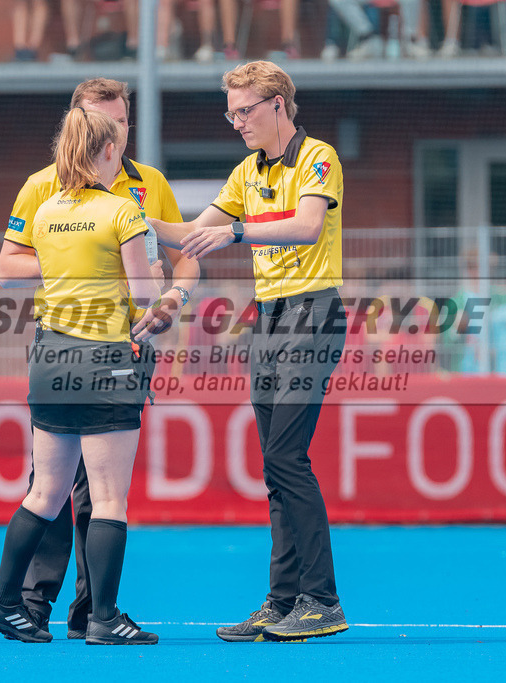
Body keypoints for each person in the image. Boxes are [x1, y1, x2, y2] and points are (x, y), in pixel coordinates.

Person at [147, 60, 349, 642]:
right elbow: (191, 234)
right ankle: (283, 601)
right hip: (269, 316)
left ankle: (323, 600)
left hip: (312, 312)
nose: (236, 122)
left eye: (245, 111)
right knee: (274, 466)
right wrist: (124, 215)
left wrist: (236, 232)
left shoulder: (319, 156)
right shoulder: (246, 171)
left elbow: (309, 225)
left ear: (278, 104)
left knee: (287, 458)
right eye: (231, 112)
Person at [0, 78, 199, 640]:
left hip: (56, 353)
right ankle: (78, 612)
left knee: (50, 489)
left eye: (123, 121)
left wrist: (174, 296)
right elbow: (9, 267)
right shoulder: (95, 201)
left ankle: (21, 604)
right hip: (108, 352)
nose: (118, 134)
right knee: (102, 496)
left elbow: (184, 259)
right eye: (107, 126)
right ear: (92, 136)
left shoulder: (82, 199)